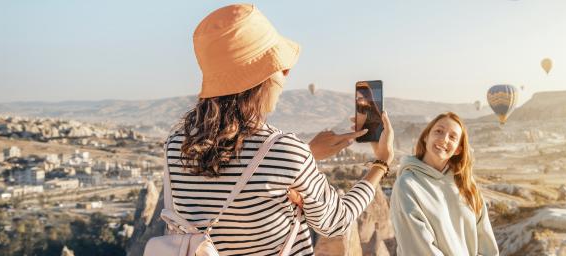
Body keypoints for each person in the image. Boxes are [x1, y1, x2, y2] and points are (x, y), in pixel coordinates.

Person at [165, 4, 394, 255]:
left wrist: (306, 154)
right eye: (279, 66)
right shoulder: (285, 152)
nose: (286, 73)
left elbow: (232, 177)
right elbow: (336, 222)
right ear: (259, 78)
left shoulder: (176, 145)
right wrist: (380, 164)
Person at [390, 112, 498, 256]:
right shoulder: (407, 184)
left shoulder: (466, 184)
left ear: (458, 149)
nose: (444, 139)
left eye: (452, 137)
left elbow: (487, 245)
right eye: (438, 131)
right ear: (426, 137)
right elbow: (419, 248)